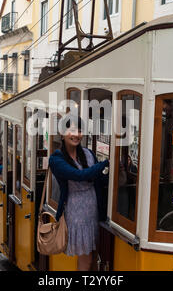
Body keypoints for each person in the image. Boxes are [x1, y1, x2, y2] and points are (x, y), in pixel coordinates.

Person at [48, 116, 109, 271]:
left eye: (80, 130)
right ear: (62, 133)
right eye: (72, 130)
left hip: (94, 208)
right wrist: (106, 162)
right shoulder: (56, 159)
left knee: (93, 254)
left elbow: (98, 179)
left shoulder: (88, 154)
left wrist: (114, 174)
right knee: (85, 255)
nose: (77, 134)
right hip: (76, 211)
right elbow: (80, 176)